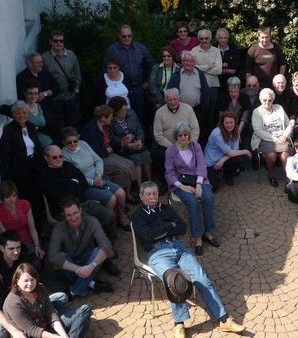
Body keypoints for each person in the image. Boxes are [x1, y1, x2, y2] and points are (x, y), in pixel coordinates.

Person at [130, 181, 246, 338]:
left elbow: (182, 227)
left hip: (179, 248)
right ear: (141, 196)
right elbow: (148, 235)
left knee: (201, 278)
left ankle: (224, 320)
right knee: (174, 281)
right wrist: (169, 226)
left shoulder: (167, 208)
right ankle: (179, 323)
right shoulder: (138, 215)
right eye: (148, 194)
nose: (152, 197)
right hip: (157, 253)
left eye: (155, 194)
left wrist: (164, 229)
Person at [0, 231, 91, 338]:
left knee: (61, 297)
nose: (16, 252)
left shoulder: (21, 258)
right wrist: (13, 330)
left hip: (29, 300)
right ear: (2, 248)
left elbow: (33, 280)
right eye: (11, 248)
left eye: (18, 247)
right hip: (7, 311)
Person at [40, 145, 118, 251]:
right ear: (46, 158)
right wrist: (74, 183)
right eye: (54, 157)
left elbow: (83, 182)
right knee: (92, 222)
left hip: (82, 203)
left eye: (60, 156)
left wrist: (70, 186)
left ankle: (109, 245)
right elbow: (58, 195)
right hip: (66, 210)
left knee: (109, 215)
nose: (58, 159)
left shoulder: (67, 165)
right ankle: (102, 253)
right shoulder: (44, 175)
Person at [60, 127, 131, 231]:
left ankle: (120, 220)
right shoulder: (64, 155)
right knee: (111, 198)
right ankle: (110, 226)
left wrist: (98, 175)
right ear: (64, 142)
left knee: (121, 193)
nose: (73, 144)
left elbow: (98, 160)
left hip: (99, 178)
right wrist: (93, 182)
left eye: (75, 141)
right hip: (85, 185)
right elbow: (75, 177)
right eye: (69, 142)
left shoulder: (83, 144)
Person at [165, 123, 218, 256]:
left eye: (185, 134)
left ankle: (208, 231)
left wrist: (199, 184)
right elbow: (169, 173)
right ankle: (198, 237)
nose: (183, 137)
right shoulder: (170, 151)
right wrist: (182, 186)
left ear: (189, 135)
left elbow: (201, 166)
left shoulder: (196, 146)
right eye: (180, 135)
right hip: (180, 183)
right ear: (176, 137)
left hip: (199, 179)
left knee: (208, 197)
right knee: (192, 201)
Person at [48, 197, 115, 299]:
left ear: (80, 210)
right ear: (64, 216)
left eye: (75, 213)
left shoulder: (92, 221)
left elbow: (106, 245)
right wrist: (78, 269)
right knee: (60, 256)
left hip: (88, 262)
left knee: (99, 251)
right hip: (70, 267)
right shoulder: (59, 228)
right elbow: (52, 256)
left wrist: (90, 267)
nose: (73, 218)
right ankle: (91, 283)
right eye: (68, 215)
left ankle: (74, 290)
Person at [3, 263, 91, 338]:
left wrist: (64, 336)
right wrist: (55, 337)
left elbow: (50, 313)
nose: (30, 284)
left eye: (32, 279)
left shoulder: (40, 288)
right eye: (25, 281)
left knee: (85, 309)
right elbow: (32, 330)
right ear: (17, 281)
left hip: (46, 324)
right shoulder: (13, 303)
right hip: (32, 334)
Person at [0, 100, 44, 232]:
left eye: (24, 112)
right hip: (19, 172)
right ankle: (28, 231)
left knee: (38, 200)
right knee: (25, 201)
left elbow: (38, 147)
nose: (22, 115)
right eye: (18, 113)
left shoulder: (30, 126)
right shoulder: (8, 131)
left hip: (34, 168)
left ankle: (39, 230)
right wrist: (9, 180)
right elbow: (5, 157)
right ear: (13, 114)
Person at [81, 105, 138, 199]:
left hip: (109, 153)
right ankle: (118, 195)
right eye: (110, 116)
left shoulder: (106, 126)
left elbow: (112, 142)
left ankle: (127, 194)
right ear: (103, 118)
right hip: (100, 158)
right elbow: (94, 152)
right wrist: (107, 150)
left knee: (131, 164)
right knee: (122, 170)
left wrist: (122, 142)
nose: (112, 118)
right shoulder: (90, 129)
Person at [104, 24, 156, 126]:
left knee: (139, 118)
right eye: (124, 36)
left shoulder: (141, 48)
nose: (127, 38)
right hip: (120, 90)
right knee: (120, 118)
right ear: (119, 36)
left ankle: (140, 141)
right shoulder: (112, 50)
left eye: (129, 35)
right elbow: (105, 69)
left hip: (138, 89)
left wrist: (148, 82)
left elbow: (152, 65)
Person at [152, 88, 200, 187]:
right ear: (165, 100)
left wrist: (189, 144)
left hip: (187, 143)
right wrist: (173, 147)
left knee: (196, 152)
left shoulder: (188, 109)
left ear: (179, 98)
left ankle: (190, 180)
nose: (173, 102)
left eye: (175, 99)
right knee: (158, 155)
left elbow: (195, 129)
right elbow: (158, 135)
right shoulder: (159, 112)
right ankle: (164, 182)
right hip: (168, 144)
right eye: (170, 100)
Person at [0, 181, 44, 271]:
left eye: (14, 195)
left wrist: (37, 246)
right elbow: (6, 237)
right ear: (1, 197)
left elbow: (32, 227)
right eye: (8, 197)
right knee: (18, 267)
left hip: (27, 241)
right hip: (13, 244)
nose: (12, 200)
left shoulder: (24, 205)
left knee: (36, 264)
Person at [251, 88, 294, 187]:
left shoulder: (279, 108)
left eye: (269, 100)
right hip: (265, 139)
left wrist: (284, 135)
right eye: (264, 100)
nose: (267, 102)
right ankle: (270, 174)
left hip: (282, 137)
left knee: (285, 154)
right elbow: (258, 131)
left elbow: (288, 124)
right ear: (260, 100)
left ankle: (289, 177)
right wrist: (275, 139)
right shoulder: (257, 112)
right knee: (271, 155)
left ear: (273, 100)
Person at [167, 51, 211, 145]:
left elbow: (206, 93)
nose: (188, 63)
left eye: (191, 61)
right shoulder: (176, 75)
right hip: (180, 111)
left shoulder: (200, 74)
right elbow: (169, 92)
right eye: (186, 61)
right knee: (181, 134)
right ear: (182, 62)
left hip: (197, 110)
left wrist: (204, 108)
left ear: (195, 62)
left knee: (197, 135)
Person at [108, 96, 152, 188]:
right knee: (136, 159)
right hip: (124, 149)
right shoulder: (111, 122)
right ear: (115, 111)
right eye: (122, 111)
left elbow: (139, 129)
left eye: (125, 109)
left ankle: (150, 182)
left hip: (137, 143)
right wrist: (128, 145)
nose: (125, 112)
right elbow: (113, 139)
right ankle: (140, 187)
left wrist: (139, 140)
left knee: (146, 154)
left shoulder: (131, 113)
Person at [41, 29, 82, 129]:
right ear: (50, 41)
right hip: (55, 100)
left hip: (70, 97)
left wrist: (76, 90)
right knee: (58, 127)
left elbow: (77, 73)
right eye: (55, 40)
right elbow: (43, 78)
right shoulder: (44, 58)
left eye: (61, 41)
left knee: (72, 124)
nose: (58, 43)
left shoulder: (71, 54)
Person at [204, 112, 251, 191]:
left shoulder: (235, 131)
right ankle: (217, 173)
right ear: (222, 123)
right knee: (213, 188)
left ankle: (228, 176)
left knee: (238, 159)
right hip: (212, 161)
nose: (229, 125)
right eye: (226, 123)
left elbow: (234, 151)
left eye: (231, 122)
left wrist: (223, 160)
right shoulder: (217, 133)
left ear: (235, 122)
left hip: (223, 158)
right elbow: (231, 152)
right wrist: (246, 151)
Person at [191, 28, 222, 124]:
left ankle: (210, 136)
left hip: (213, 86)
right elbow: (192, 67)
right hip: (198, 85)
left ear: (210, 38)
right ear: (199, 39)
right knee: (199, 112)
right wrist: (208, 66)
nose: (204, 40)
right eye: (201, 39)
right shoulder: (194, 51)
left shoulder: (216, 51)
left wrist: (201, 68)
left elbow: (218, 70)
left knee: (211, 113)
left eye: (206, 38)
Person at [15, 53, 60, 118]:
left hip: (50, 111)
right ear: (30, 64)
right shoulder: (22, 78)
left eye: (41, 62)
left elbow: (57, 87)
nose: (41, 64)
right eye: (38, 63)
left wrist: (46, 93)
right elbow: (21, 98)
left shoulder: (44, 72)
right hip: (33, 114)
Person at [217, 77, 253, 150]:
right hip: (226, 126)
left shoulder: (244, 97)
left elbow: (244, 117)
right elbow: (221, 117)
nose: (233, 90)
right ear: (228, 88)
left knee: (245, 142)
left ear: (239, 87)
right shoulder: (222, 98)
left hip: (241, 126)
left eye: (235, 87)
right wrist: (228, 131)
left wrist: (237, 132)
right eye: (231, 87)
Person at [23, 79, 53, 147]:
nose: (33, 96)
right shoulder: (22, 109)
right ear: (25, 94)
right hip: (35, 147)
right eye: (30, 93)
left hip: (48, 142)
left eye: (36, 93)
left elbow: (50, 126)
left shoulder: (41, 106)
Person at [216, 28, 244, 92]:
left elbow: (237, 65)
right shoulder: (213, 49)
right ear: (217, 38)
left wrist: (222, 66)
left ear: (228, 38)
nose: (223, 40)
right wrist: (228, 70)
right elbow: (213, 67)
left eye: (225, 38)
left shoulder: (234, 48)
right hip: (217, 83)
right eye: (221, 38)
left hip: (232, 83)